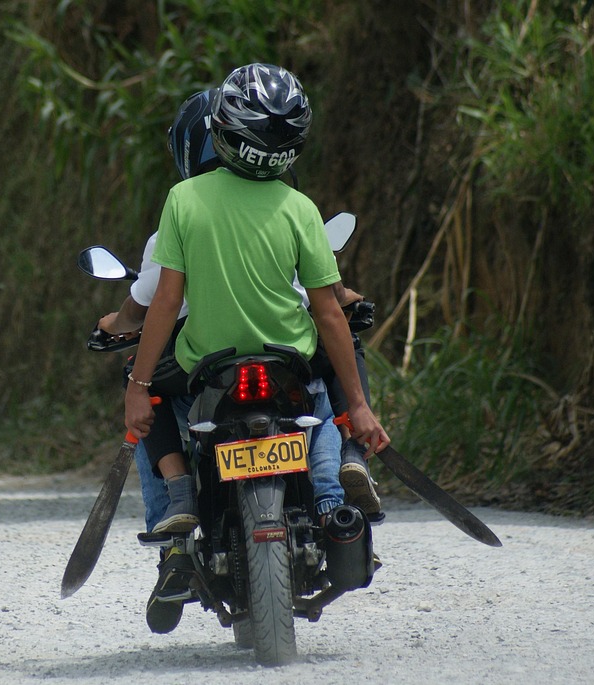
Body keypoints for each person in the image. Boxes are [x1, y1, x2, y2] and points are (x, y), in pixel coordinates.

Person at [121, 64, 391, 631]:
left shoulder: (184, 200)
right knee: (319, 404)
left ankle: (176, 516)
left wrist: (138, 388)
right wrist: (361, 406)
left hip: (207, 368)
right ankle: (327, 501)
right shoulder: (300, 209)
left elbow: (164, 304)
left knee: (157, 417)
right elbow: (328, 311)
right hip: (287, 361)